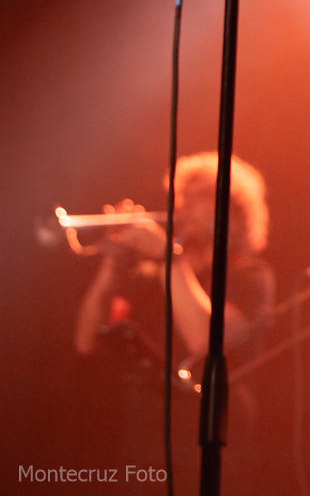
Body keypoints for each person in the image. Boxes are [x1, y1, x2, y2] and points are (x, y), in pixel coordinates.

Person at [73, 152, 275, 493]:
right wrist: (111, 266)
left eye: (197, 197)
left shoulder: (249, 275)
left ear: (233, 210)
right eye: (181, 197)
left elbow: (204, 341)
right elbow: (86, 341)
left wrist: (169, 257)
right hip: (145, 447)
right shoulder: (155, 273)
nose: (181, 207)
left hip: (210, 445)